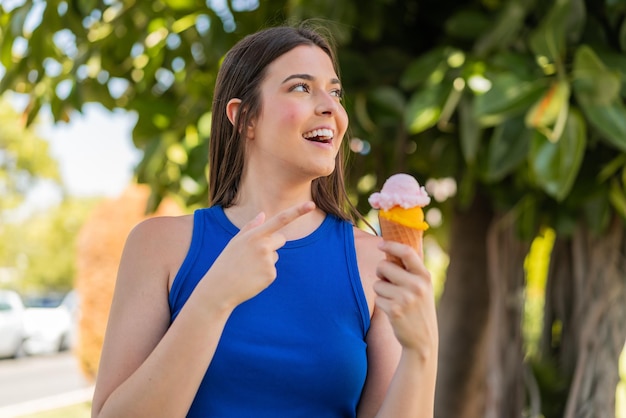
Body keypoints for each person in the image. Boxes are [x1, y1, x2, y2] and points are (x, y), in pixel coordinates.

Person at [91, 23, 438, 418]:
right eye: (301, 87)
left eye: (335, 91)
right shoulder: (159, 245)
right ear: (244, 119)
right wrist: (214, 298)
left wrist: (423, 349)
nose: (331, 107)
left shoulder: (376, 261)